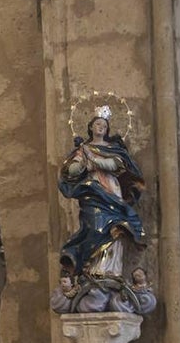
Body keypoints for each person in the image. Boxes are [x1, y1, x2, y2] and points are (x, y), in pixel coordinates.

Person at [58, 112, 147, 279]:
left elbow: (115, 165)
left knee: (116, 227)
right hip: (91, 191)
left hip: (111, 190)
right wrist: (83, 164)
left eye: (104, 126)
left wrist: (93, 160)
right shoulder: (83, 149)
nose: (101, 128)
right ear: (91, 127)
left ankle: (112, 271)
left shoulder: (112, 149)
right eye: (98, 124)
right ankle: (93, 270)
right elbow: (71, 170)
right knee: (95, 226)